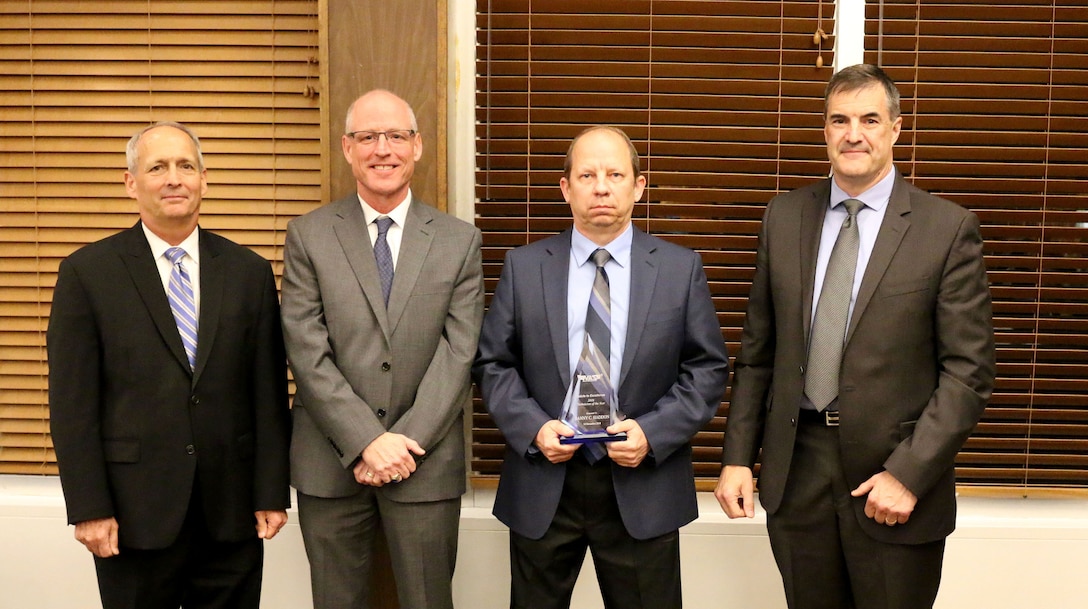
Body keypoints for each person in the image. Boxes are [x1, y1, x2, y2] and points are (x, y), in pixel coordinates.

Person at [714, 63, 996, 609]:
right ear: (824, 131)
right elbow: (757, 355)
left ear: (895, 128)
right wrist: (736, 458)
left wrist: (909, 474)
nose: (853, 134)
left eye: (870, 119)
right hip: (797, 474)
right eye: (839, 120)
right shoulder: (784, 216)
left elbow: (968, 372)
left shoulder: (946, 229)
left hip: (891, 478)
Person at [473, 126, 730, 609]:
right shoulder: (525, 267)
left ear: (639, 185)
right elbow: (493, 363)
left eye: (615, 174)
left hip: (642, 482)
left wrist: (653, 433)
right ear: (566, 188)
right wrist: (533, 429)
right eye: (587, 174)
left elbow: (707, 369)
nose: (602, 186)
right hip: (547, 480)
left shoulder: (679, 269)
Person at [47, 121, 291, 609]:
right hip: (133, 515)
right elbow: (73, 406)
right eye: (157, 167)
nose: (173, 178)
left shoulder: (249, 272)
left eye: (186, 166)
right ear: (131, 182)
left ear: (204, 179)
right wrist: (89, 509)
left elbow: (267, 392)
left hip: (231, 513)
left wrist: (271, 491)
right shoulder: (87, 273)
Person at [281, 89, 484, 609]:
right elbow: (306, 348)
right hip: (331, 461)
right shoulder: (309, 235)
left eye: (395, 135)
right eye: (368, 137)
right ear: (347, 148)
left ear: (417, 146)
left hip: (425, 461)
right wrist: (367, 439)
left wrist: (403, 442)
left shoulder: (459, 241)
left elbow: (459, 352)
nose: (382, 149)